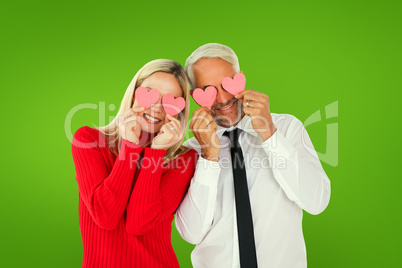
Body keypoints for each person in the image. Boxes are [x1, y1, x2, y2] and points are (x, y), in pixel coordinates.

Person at [175, 43, 331, 268]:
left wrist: (269, 133)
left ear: (241, 79)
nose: (222, 99)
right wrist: (209, 155)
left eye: (227, 84)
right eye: (208, 90)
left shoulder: (287, 128)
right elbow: (191, 233)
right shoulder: (190, 151)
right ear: (194, 96)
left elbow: (316, 201)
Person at [71, 59, 198, 268]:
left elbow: (138, 223)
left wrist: (156, 152)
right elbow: (105, 216)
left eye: (170, 101)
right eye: (149, 93)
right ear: (133, 92)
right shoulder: (88, 140)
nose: (157, 108)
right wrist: (129, 146)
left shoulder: (184, 159)